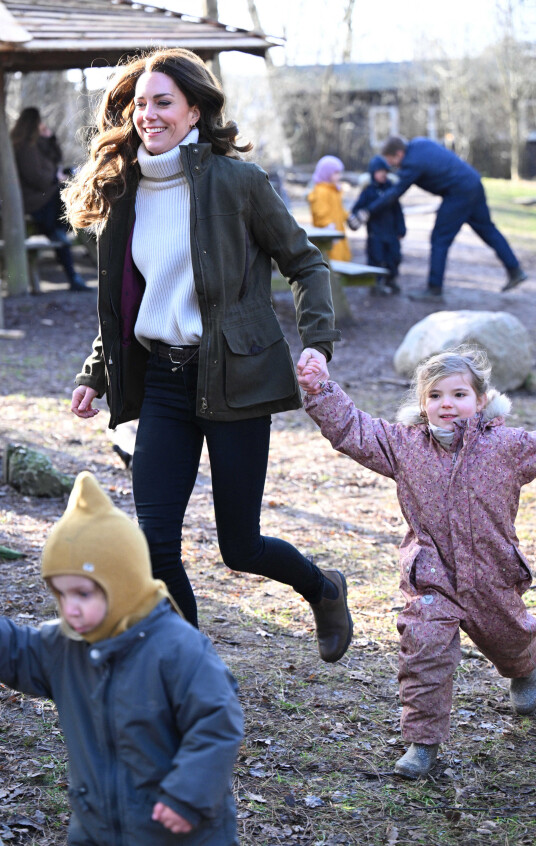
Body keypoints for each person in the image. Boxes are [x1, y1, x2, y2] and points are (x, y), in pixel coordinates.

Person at [62, 47, 352, 664]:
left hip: (235, 379)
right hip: (163, 383)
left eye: (163, 102)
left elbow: (305, 264)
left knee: (239, 548)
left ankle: (324, 590)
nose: (148, 114)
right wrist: (96, 374)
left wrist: (317, 346)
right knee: (155, 544)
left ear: (195, 111)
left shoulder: (238, 184)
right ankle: (190, 673)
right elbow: (127, 302)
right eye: (140, 104)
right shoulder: (124, 192)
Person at [299, 346, 536, 779]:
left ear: (481, 400)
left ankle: (523, 670)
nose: (446, 403)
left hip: (493, 574)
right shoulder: (403, 445)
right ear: (422, 402)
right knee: (424, 650)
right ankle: (423, 742)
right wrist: (320, 388)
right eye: (435, 395)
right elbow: (352, 428)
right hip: (431, 576)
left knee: (509, 638)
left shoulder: (508, 446)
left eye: (458, 394)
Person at [0, 471, 244, 844]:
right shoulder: (63, 646)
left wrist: (187, 795)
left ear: (124, 583)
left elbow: (216, 721)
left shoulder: (178, 648)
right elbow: (15, 652)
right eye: (61, 595)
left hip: (177, 830)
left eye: (83, 594)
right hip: (96, 827)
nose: (71, 610)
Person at [374, 135, 528, 301]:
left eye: (391, 160)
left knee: (440, 239)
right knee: (488, 230)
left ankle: (434, 289)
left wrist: (369, 210)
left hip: (458, 193)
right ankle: (515, 270)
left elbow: (395, 192)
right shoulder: (420, 143)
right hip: (473, 182)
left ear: (398, 154)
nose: (390, 165)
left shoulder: (412, 162)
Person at [10, 107, 90, 292]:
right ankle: (69, 230)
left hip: (45, 198)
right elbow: (37, 177)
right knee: (67, 192)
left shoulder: (35, 144)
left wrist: (51, 138)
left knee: (66, 198)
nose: (42, 125)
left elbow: (55, 160)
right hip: (35, 201)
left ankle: (64, 231)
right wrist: (55, 178)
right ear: (33, 123)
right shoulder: (24, 147)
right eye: (39, 122)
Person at [348, 154, 406, 295]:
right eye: (380, 172)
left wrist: (401, 229)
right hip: (375, 234)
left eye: (385, 172)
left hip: (391, 232)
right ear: (373, 173)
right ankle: (376, 283)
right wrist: (358, 216)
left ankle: (390, 280)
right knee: (376, 258)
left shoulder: (391, 189)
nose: (383, 174)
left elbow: (398, 211)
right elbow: (357, 210)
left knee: (394, 257)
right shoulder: (368, 191)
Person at [307, 155, 352, 261]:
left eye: (339, 173)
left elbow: (339, 210)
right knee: (330, 260)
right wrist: (328, 227)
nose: (339, 176)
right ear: (326, 173)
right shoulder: (320, 191)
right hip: (327, 235)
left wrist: (348, 217)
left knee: (341, 259)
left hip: (338, 232)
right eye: (336, 173)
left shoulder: (335, 191)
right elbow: (320, 213)